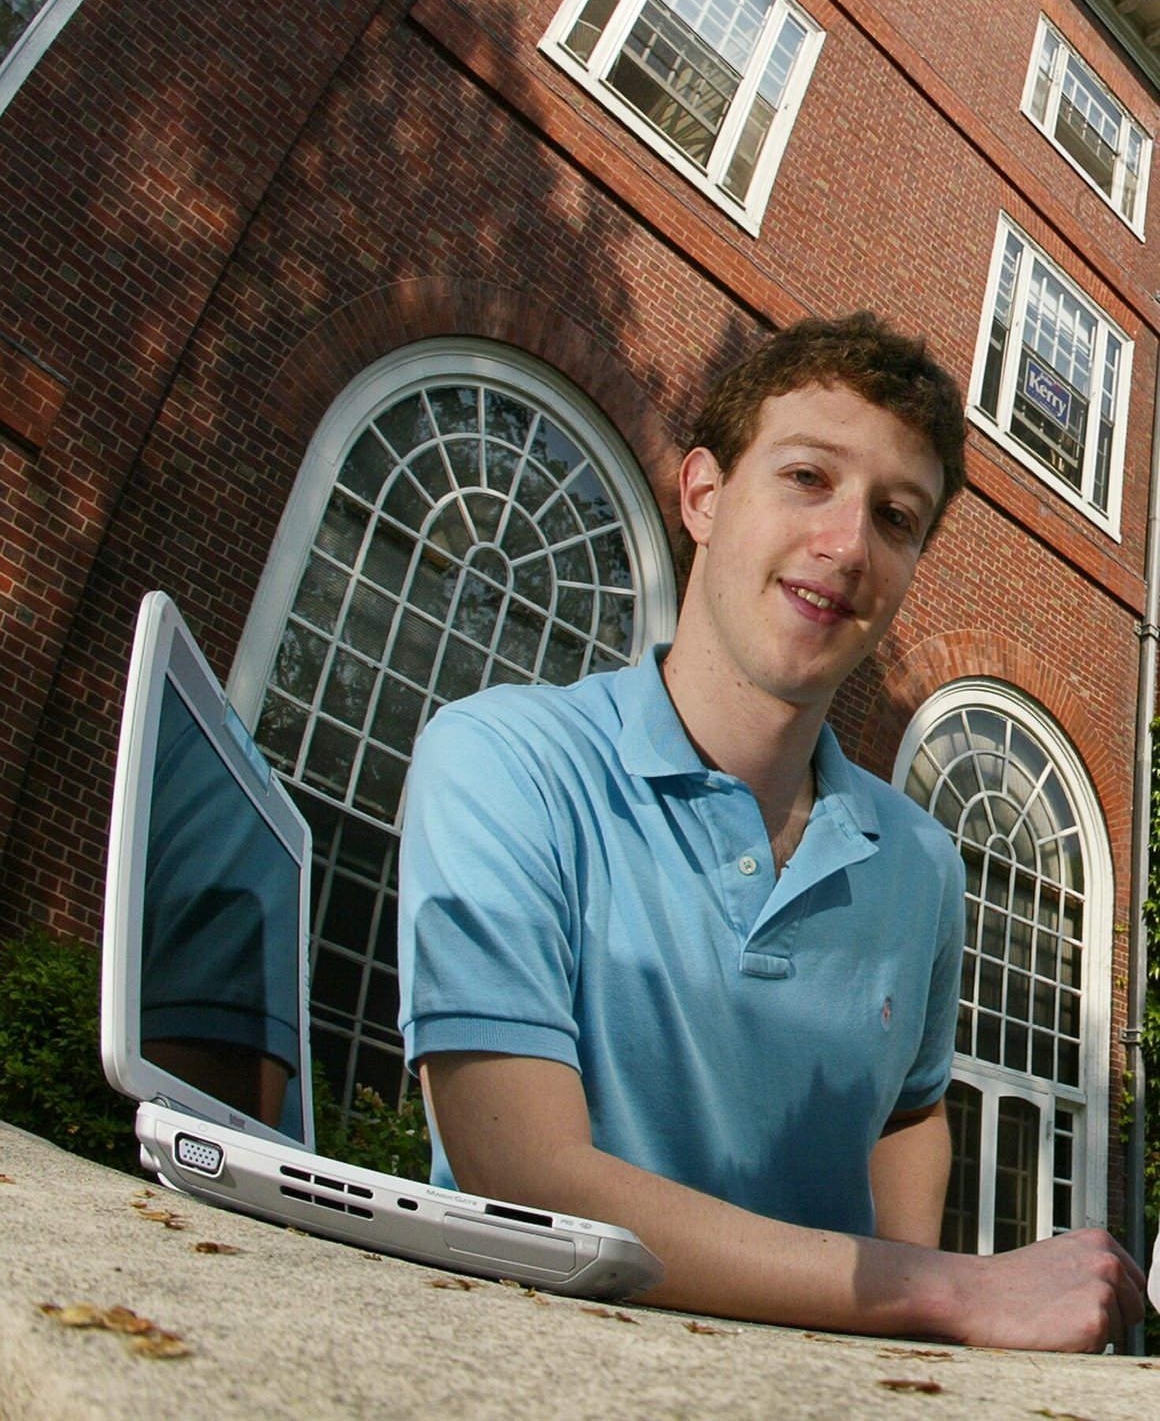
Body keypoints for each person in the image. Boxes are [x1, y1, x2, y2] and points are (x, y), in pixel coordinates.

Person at [398, 312, 1145, 1350]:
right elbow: (521, 1173)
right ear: (702, 494)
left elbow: (907, 1112)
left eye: (894, 517)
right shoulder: (503, 761)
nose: (845, 546)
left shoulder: (921, 865)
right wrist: (940, 1289)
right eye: (806, 478)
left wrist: (901, 1341)